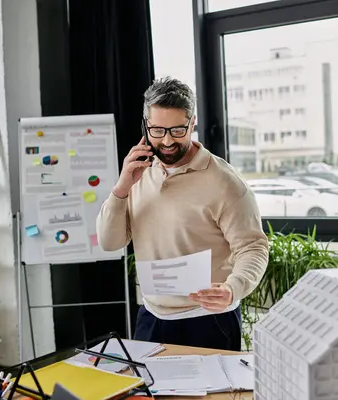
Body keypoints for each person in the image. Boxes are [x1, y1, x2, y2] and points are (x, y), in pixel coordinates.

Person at [96, 77, 268, 351]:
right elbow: (109, 242)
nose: (166, 141)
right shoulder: (138, 173)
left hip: (208, 318)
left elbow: (254, 247)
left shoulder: (224, 182)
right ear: (145, 125)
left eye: (177, 130)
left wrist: (233, 288)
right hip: (151, 315)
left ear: (193, 123)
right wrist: (121, 189)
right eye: (157, 130)